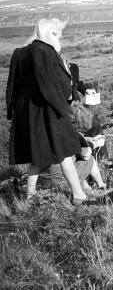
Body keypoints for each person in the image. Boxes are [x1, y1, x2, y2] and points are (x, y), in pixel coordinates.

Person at [6, 18, 88, 204]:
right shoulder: (45, 51)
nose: (59, 39)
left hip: (26, 113)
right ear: (49, 33)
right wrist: (64, 104)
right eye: (57, 34)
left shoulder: (19, 53)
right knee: (65, 152)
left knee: (37, 154)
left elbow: (12, 84)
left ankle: (30, 194)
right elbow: (54, 84)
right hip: (48, 110)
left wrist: (11, 110)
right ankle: (78, 194)